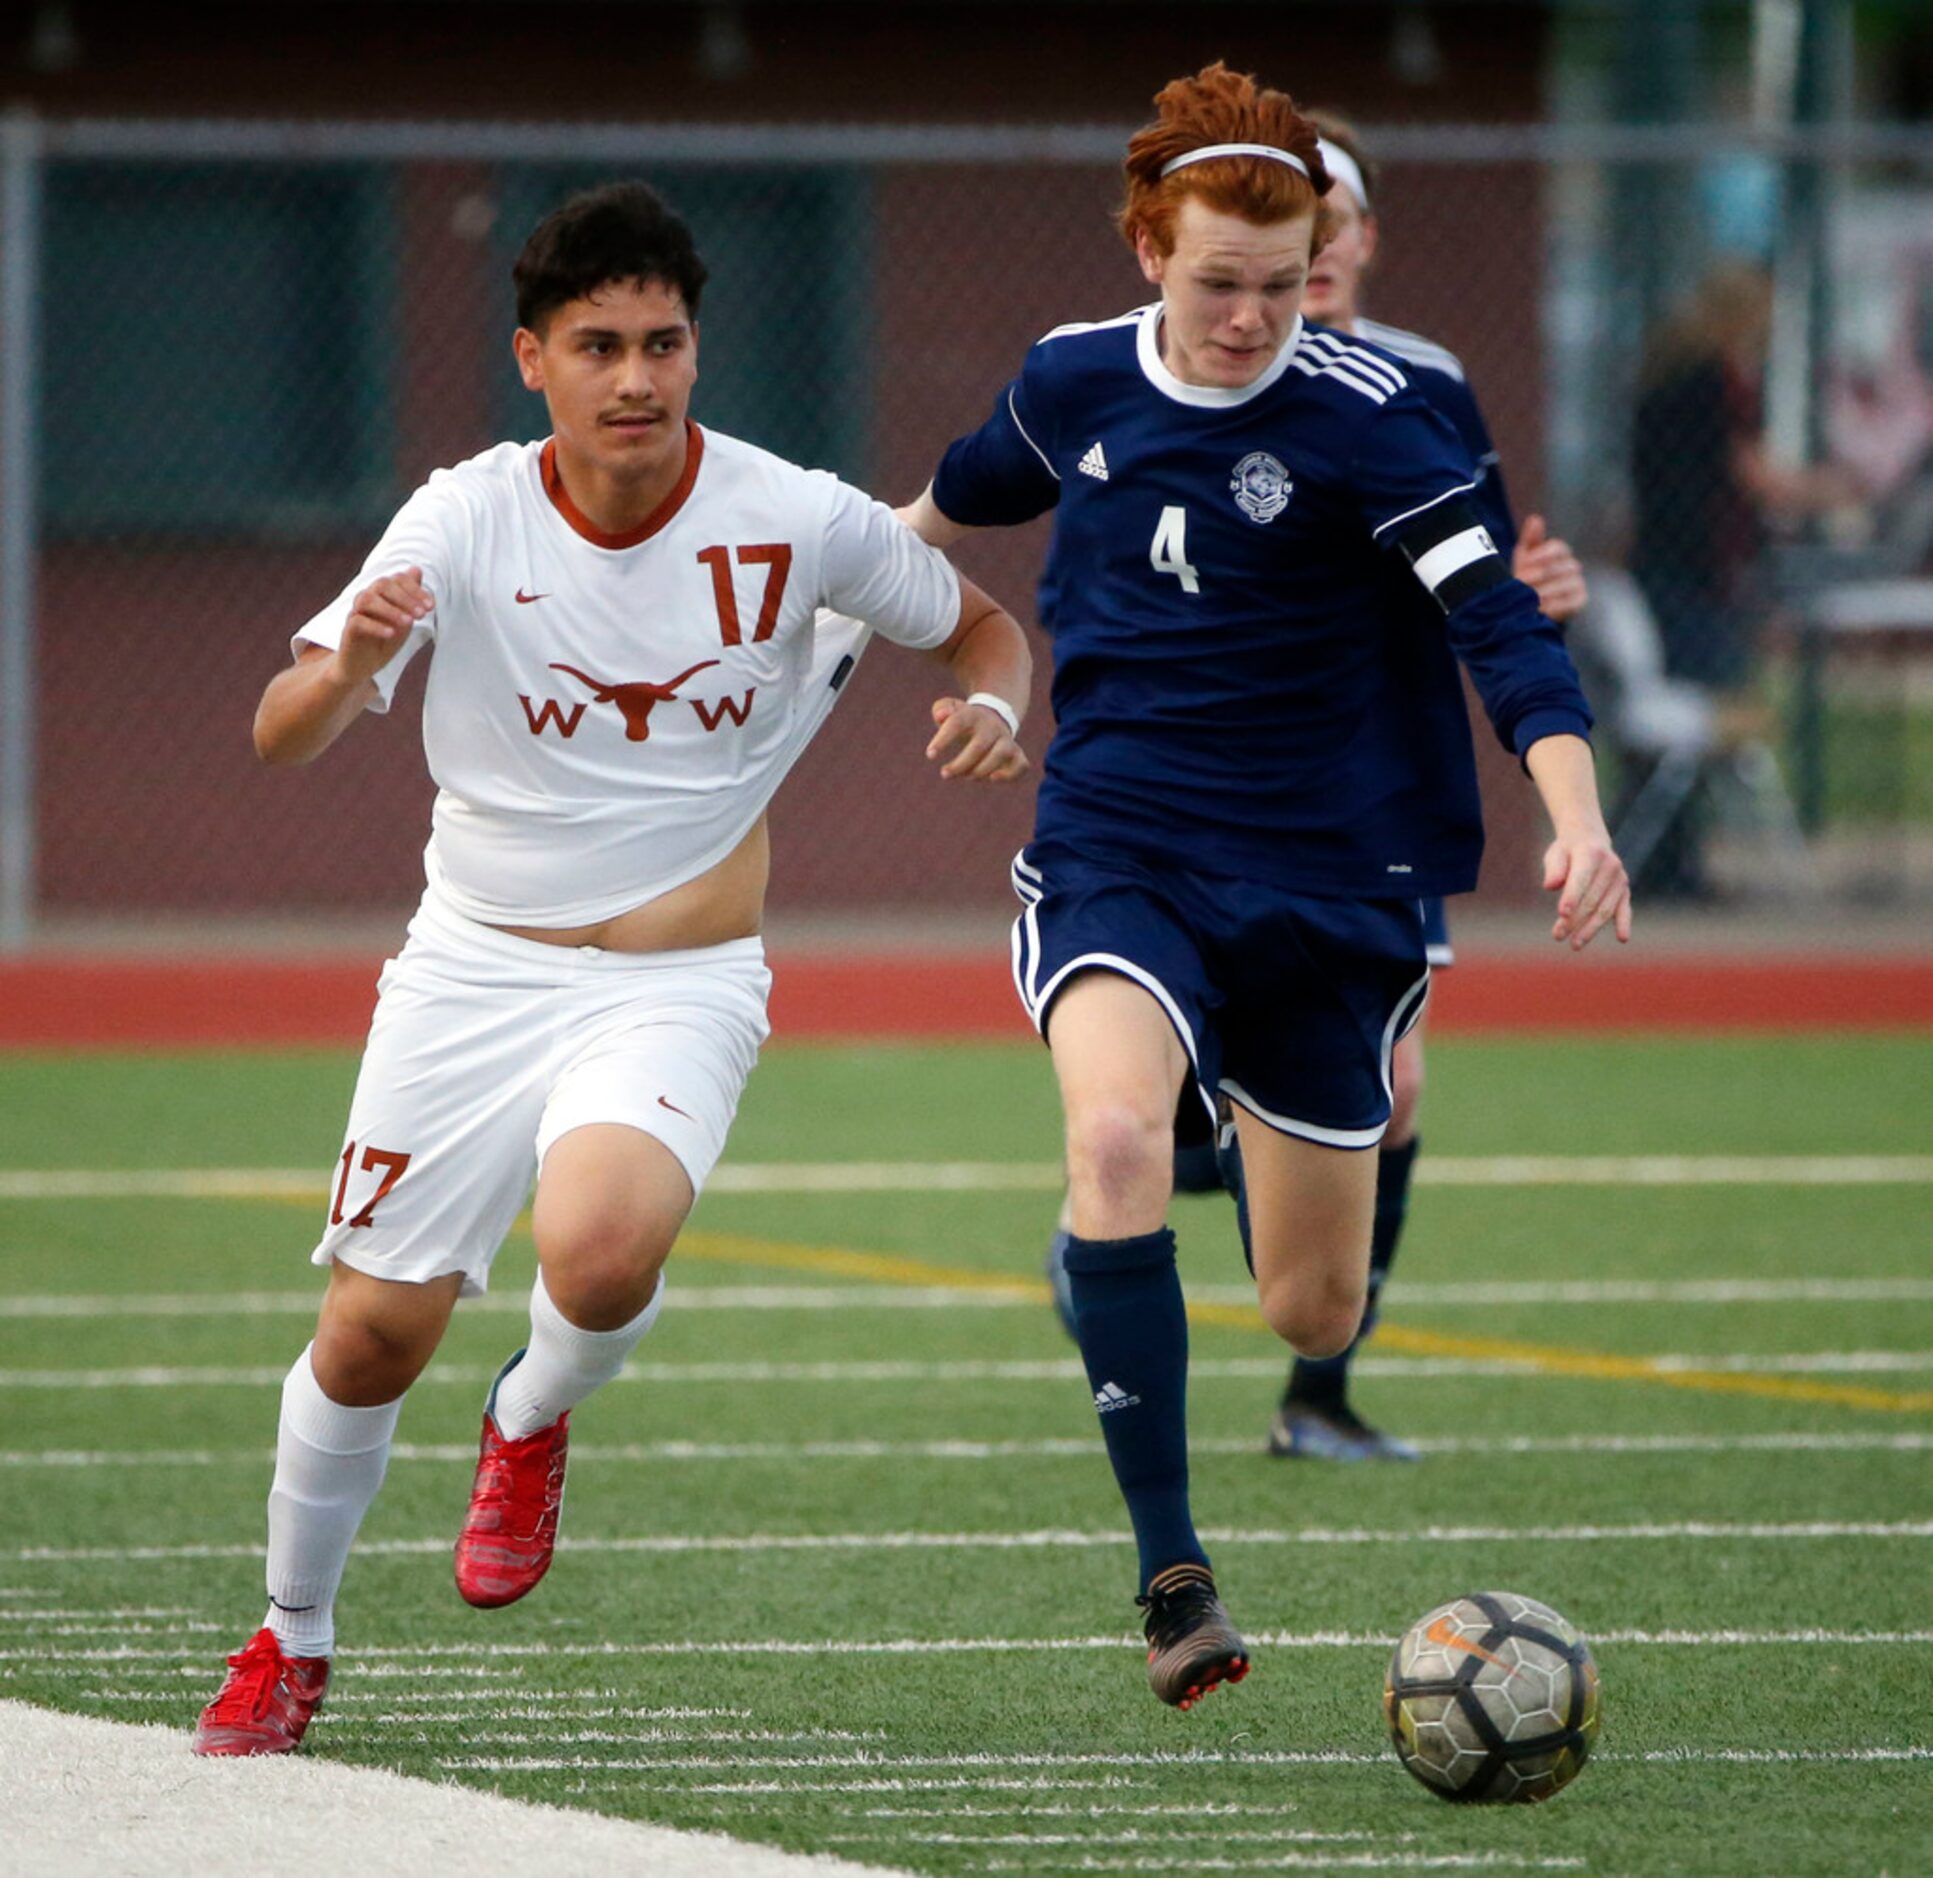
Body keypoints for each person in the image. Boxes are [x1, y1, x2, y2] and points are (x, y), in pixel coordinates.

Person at [191, 181, 1032, 1757]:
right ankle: (290, 1639)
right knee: (372, 1331)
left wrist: (994, 710)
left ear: (696, 349)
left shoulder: (792, 513)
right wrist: (353, 662)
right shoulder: (460, 515)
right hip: (469, 972)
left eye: (663, 341)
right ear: (533, 360)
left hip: (677, 975)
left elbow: (981, 628)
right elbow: (278, 727)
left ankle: (527, 1416)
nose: (636, 375)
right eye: (598, 345)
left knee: (599, 1252)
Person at [903, 62, 1629, 1711]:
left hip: (1331, 878)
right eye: (1215, 283)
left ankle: (1210, 1147)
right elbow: (923, 520)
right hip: (1122, 842)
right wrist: (785, 611)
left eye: (1283, 283)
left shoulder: (1385, 415)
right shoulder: (1073, 382)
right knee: (1103, 1137)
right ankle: (1172, 1573)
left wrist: (1575, 817)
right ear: (1147, 248)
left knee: (1309, 1298)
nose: (1249, 318)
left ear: (1325, 259)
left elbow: (1500, 633)